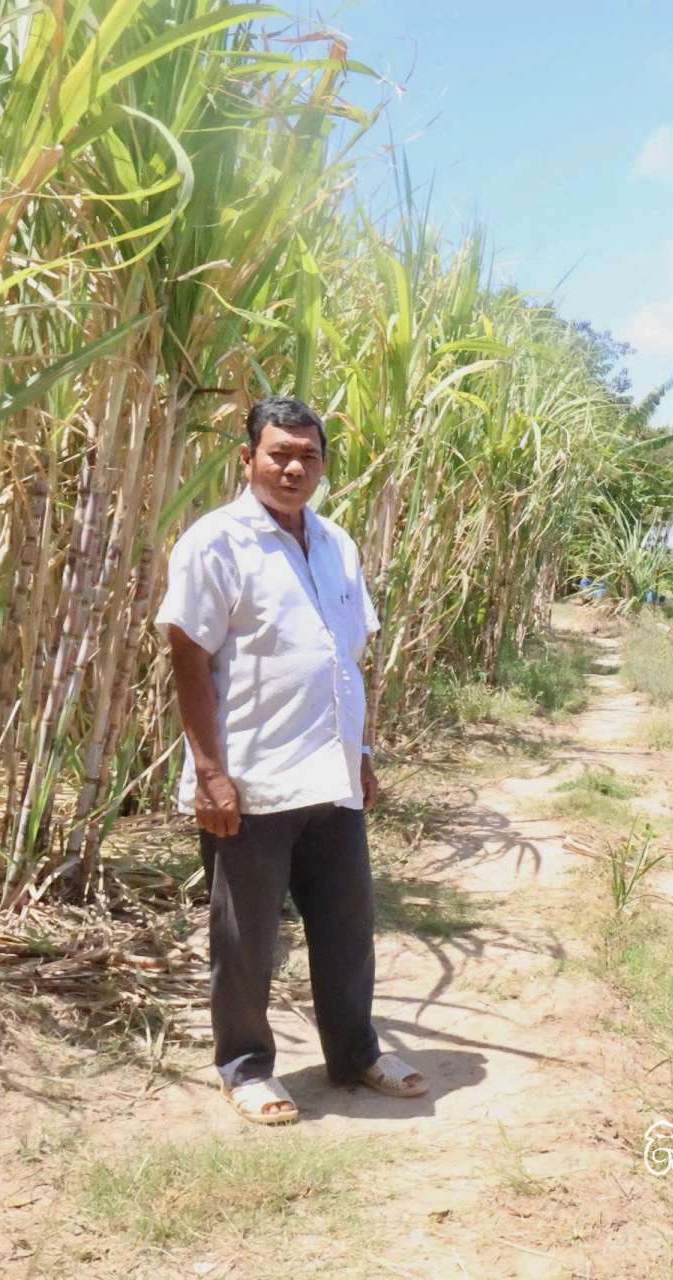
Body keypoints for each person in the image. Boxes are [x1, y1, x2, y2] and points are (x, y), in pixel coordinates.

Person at [156, 395, 427, 1126]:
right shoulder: (216, 542)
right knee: (246, 938)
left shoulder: (337, 544)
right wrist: (210, 772)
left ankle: (356, 1053)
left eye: (308, 456)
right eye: (279, 454)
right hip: (253, 778)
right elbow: (187, 656)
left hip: (331, 774)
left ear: (323, 464)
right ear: (247, 458)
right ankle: (245, 1069)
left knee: (347, 924)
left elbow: (346, 658)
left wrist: (361, 752)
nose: (293, 468)